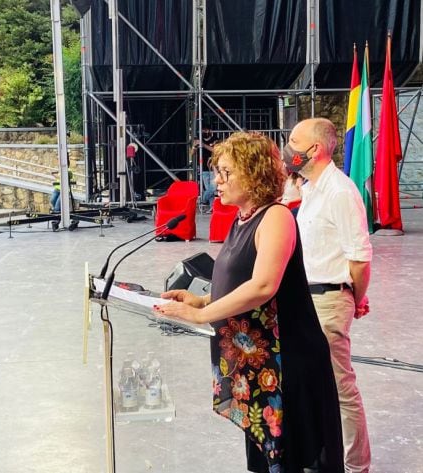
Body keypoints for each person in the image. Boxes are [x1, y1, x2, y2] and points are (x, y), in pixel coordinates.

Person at [155, 132, 344, 472]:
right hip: (260, 363)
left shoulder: (276, 217)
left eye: (226, 172)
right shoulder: (242, 219)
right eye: (218, 172)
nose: (217, 181)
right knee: (267, 456)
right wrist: (202, 300)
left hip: (287, 362)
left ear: (254, 173)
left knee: (292, 457)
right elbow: (239, 283)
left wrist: (202, 316)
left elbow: (263, 286)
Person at [284, 118, 372, 473]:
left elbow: (360, 259)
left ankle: (356, 466)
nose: (288, 149)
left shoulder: (339, 192)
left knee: (340, 388)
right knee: (313, 385)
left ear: (315, 149)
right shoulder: (311, 188)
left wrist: (356, 297)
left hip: (330, 299)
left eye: (293, 141)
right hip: (308, 299)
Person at [193, 127, 218, 209]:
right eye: (203, 130)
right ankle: (212, 207)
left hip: (213, 167)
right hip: (203, 168)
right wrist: (194, 147)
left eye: (206, 130)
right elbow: (192, 154)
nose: (205, 132)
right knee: (208, 188)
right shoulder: (199, 140)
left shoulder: (215, 139)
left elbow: (215, 150)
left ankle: (202, 200)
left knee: (213, 187)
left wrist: (203, 145)